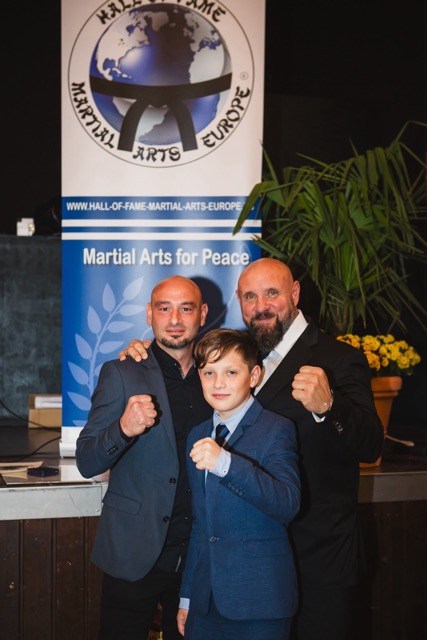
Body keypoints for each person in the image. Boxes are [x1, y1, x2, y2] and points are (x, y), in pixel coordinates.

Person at [121, 257, 384, 640]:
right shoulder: (242, 354)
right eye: (249, 296)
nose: (260, 306)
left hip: (318, 560)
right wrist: (144, 352)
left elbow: (371, 445)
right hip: (243, 569)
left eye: (271, 293)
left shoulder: (338, 358)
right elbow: (192, 359)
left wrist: (330, 406)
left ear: (294, 293)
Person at [75, 275, 212, 640]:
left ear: (203, 314)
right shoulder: (122, 371)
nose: (175, 319)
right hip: (134, 549)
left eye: (186, 309)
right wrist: (123, 428)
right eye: (164, 308)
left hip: (198, 553)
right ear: (150, 313)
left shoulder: (217, 375)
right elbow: (87, 461)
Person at [176, 328, 301, 640]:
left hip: (259, 600)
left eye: (231, 372)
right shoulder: (197, 435)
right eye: (209, 372)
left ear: (254, 375)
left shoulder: (276, 428)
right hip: (205, 601)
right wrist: (188, 596)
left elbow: (287, 503)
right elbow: (200, 525)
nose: (218, 383)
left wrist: (226, 464)